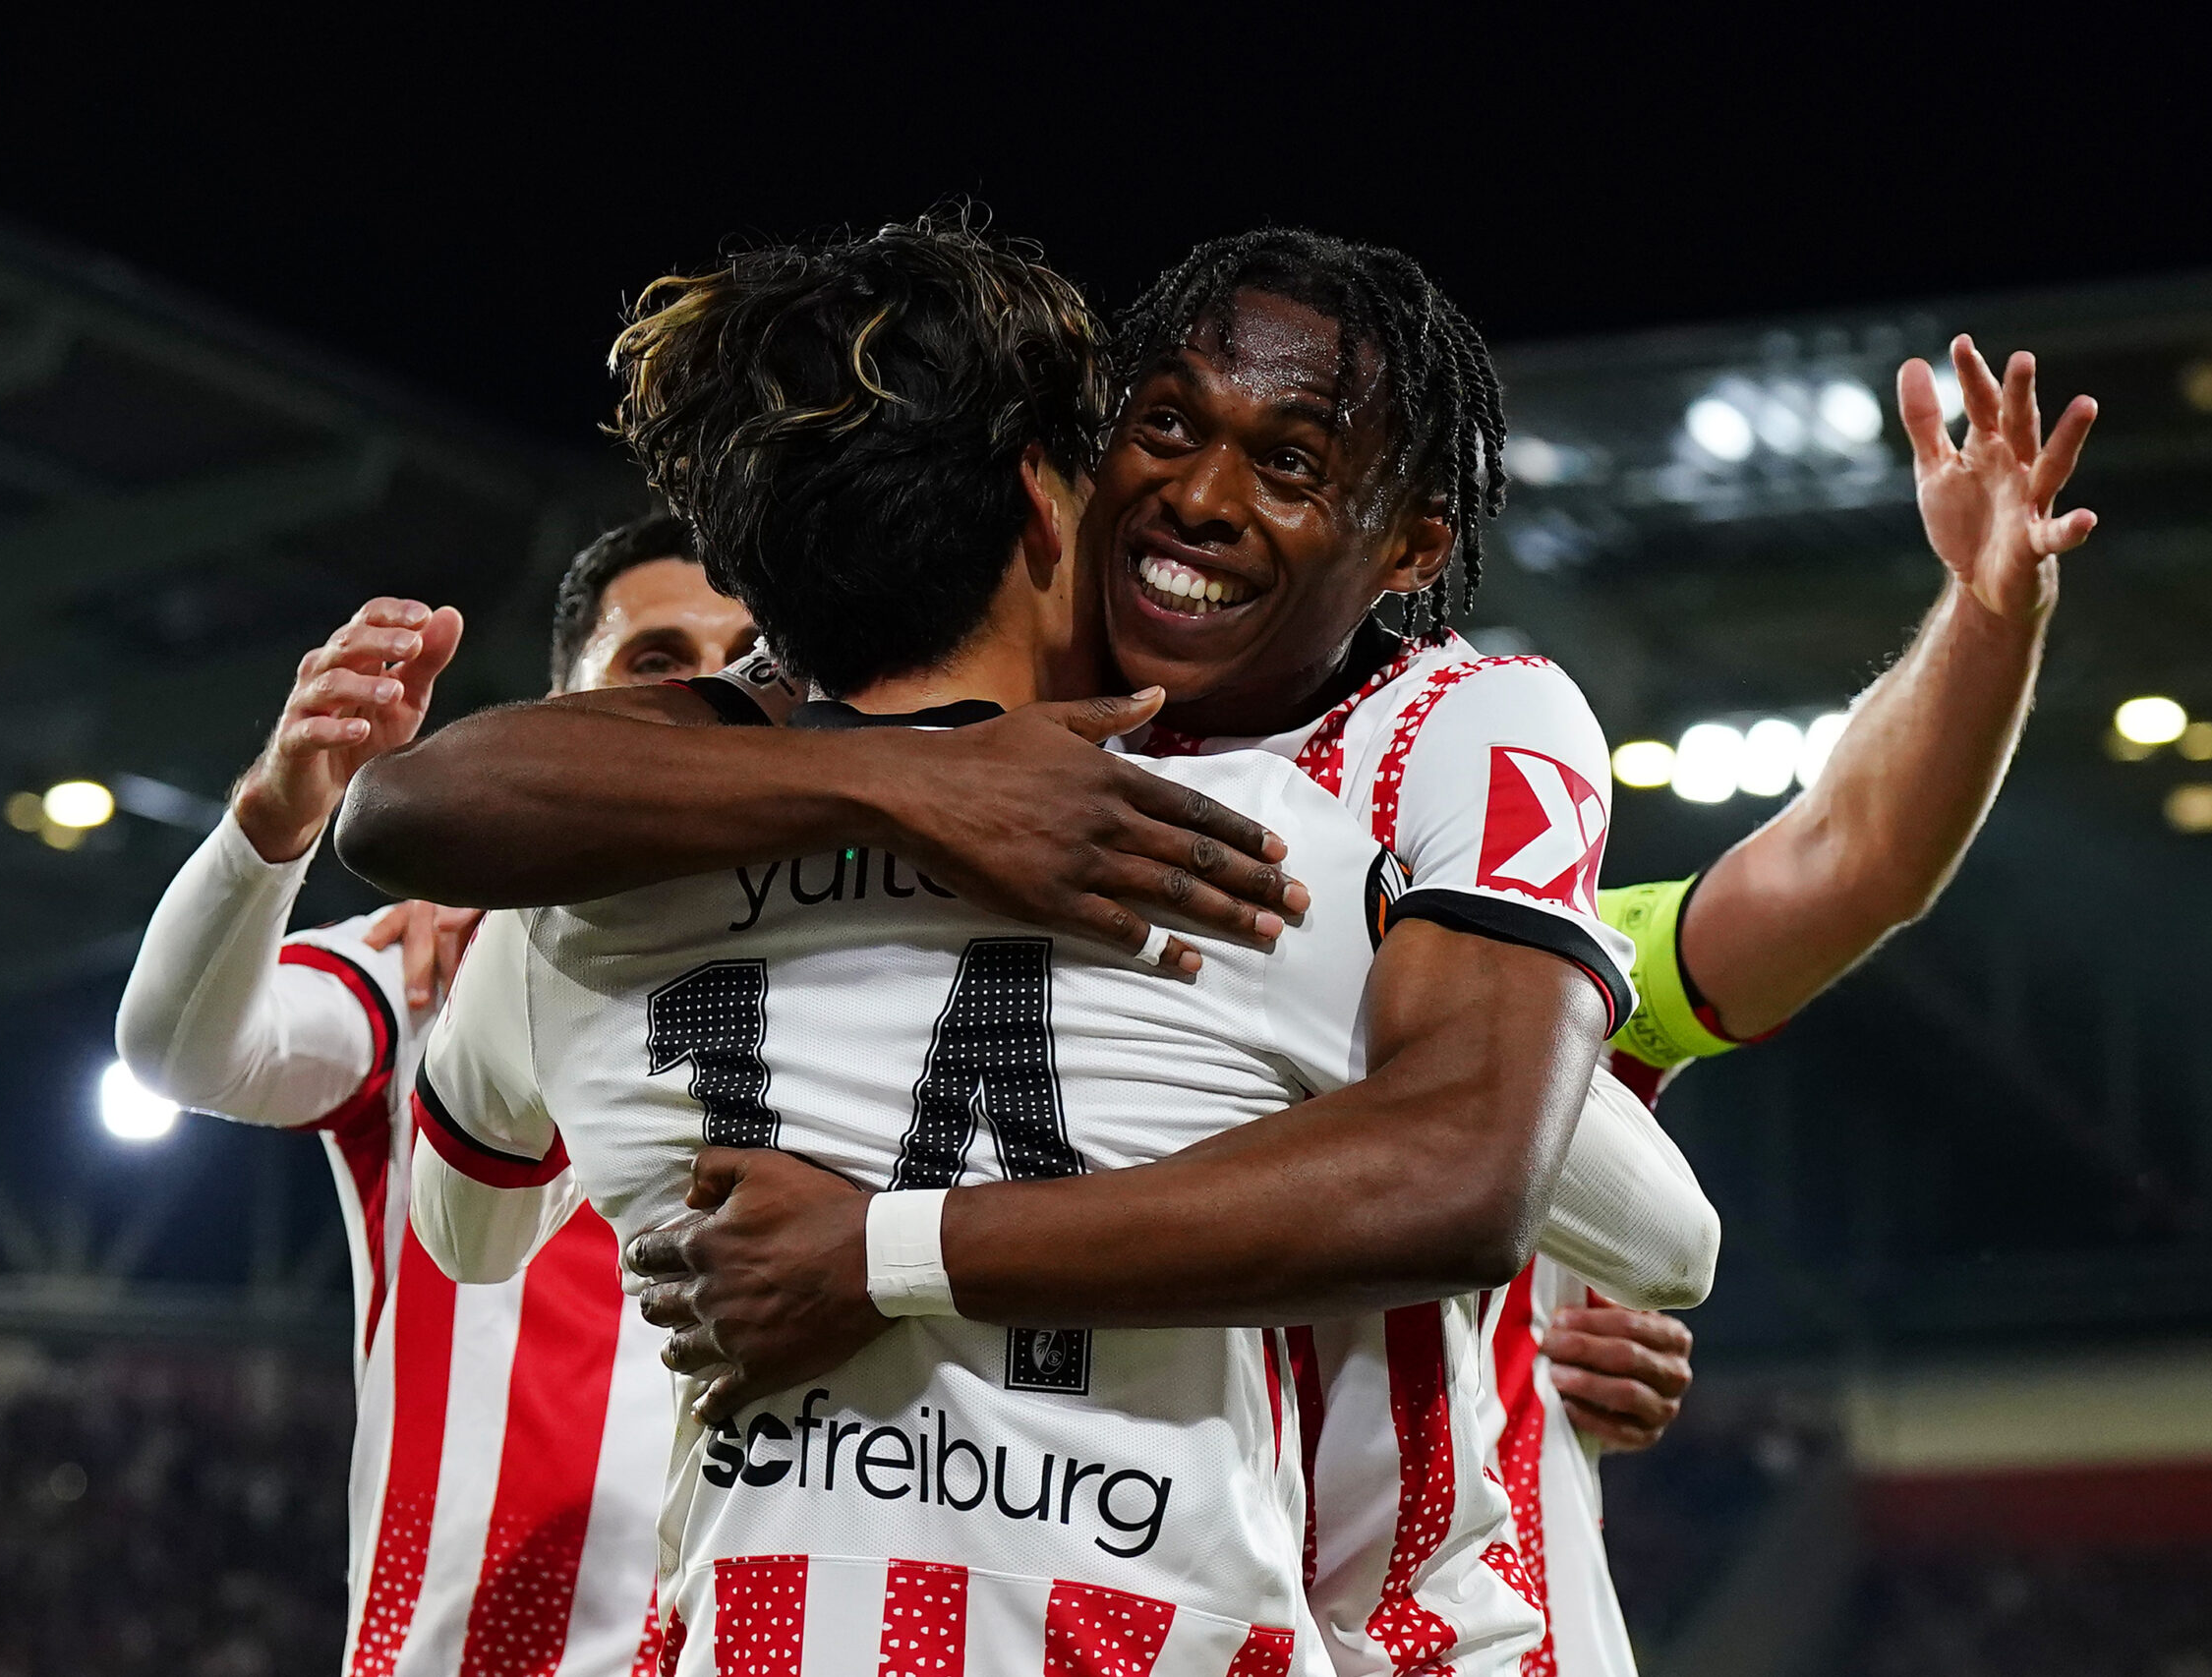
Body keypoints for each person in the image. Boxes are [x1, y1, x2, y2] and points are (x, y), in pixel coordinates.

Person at [343, 228, 2091, 1674]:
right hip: (1168, 1600)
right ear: (1067, 480)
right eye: (1163, 432)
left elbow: (1777, 944)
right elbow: (422, 803)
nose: (1200, 499)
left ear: (1410, 546)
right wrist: (925, 786)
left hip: (1446, 1631)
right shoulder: (826, 771)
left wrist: (1987, 620)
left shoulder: (1432, 767)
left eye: (1292, 465)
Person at [114, 515, 761, 1676]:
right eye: (657, 658)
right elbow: (184, 1053)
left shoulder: (883, 977)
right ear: (563, 701)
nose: (706, 691)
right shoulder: (431, 972)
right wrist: (279, 812)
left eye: (750, 656)